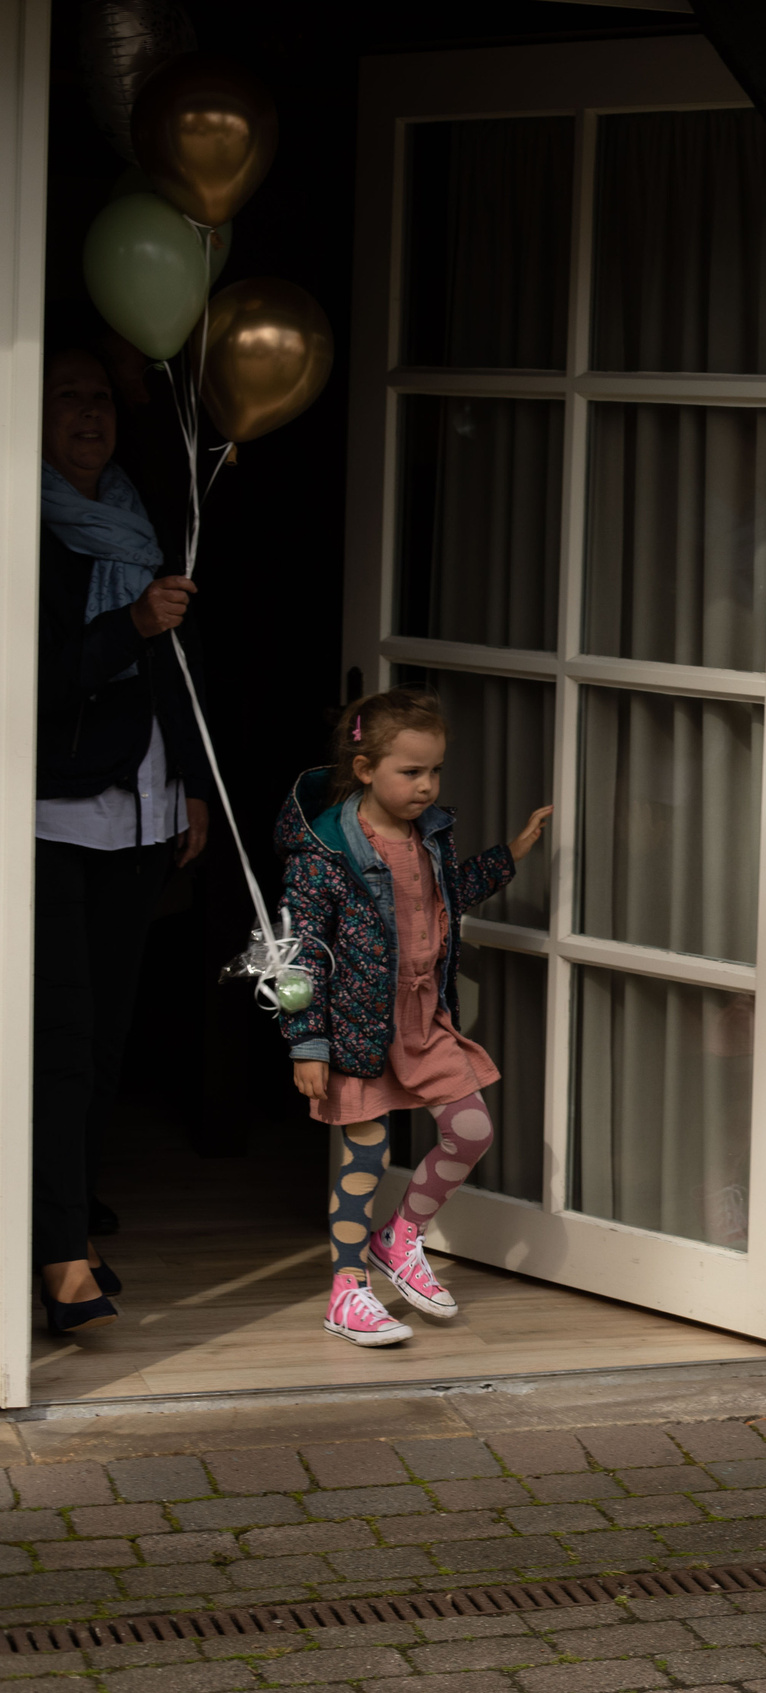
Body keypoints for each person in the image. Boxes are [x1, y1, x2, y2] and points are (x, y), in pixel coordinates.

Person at [271, 688, 552, 1347]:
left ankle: (399, 1237)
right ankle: (347, 1292)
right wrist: (307, 1041)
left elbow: (449, 893)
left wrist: (510, 853)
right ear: (365, 769)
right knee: (366, 1151)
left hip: (423, 1017)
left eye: (436, 771)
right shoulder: (325, 853)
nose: (427, 786)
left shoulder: (430, 838)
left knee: (470, 1129)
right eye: (411, 771)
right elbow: (297, 951)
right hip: (355, 1025)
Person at [33, 345, 212, 1334]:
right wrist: (131, 624)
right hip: (53, 816)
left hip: (144, 812)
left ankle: (69, 1208)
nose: (88, 413)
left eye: (99, 397)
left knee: (104, 1040)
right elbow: (31, 680)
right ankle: (59, 1256)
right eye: (66, 397)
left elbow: (174, 666)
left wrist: (189, 783)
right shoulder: (24, 525)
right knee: (59, 1040)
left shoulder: (139, 517)